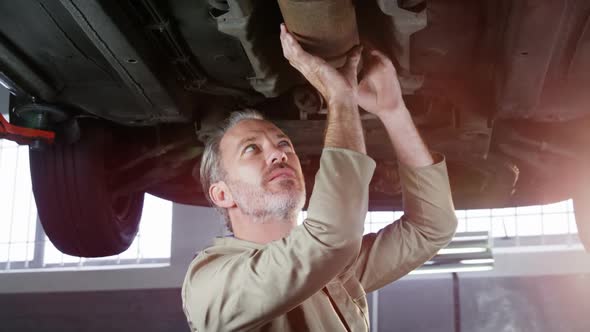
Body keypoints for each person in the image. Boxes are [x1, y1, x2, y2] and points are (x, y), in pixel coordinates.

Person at [181, 24, 458, 331]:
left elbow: (432, 226)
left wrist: (392, 110)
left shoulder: (333, 267)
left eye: (283, 144)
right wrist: (339, 97)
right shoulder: (211, 284)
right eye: (251, 149)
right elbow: (330, 239)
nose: (278, 154)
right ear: (222, 194)